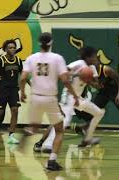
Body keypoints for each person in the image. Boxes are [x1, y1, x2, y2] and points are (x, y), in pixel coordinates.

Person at [20, 32, 79, 171]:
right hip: (50, 98)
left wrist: (22, 92)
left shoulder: (31, 58)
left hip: (35, 97)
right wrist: (75, 95)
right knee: (59, 130)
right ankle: (52, 161)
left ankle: (26, 133)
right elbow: (65, 80)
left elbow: (22, 78)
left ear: (39, 42)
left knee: (34, 126)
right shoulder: (57, 58)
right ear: (51, 42)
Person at [34, 46, 105, 153]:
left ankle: (88, 138)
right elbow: (62, 74)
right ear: (88, 57)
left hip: (78, 98)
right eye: (94, 57)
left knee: (99, 113)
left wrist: (89, 80)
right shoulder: (79, 63)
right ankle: (48, 145)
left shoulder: (92, 69)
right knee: (63, 120)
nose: (96, 59)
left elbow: (97, 86)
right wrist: (77, 74)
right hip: (68, 96)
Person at [74, 58, 119, 147]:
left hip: (114, 92)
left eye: (94, 63)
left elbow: (118, 79)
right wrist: (90, 82)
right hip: (103, 93)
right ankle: (86, 130)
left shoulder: (106, 69)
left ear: (97, 62)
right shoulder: (90, 73)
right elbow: (97, 86)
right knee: (95, 112)